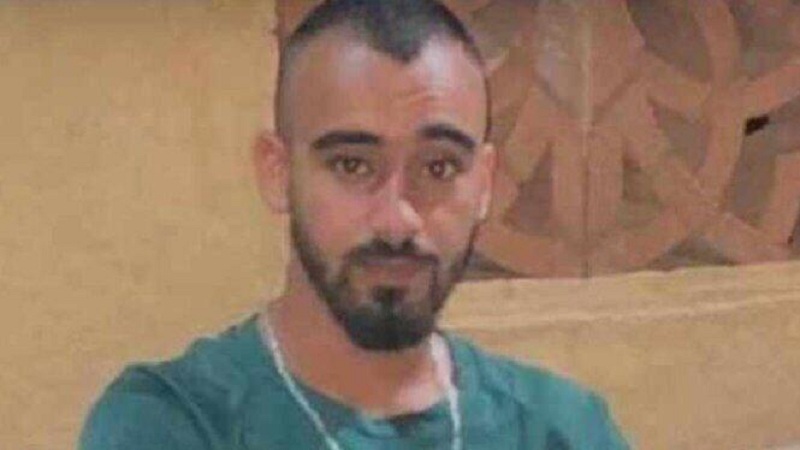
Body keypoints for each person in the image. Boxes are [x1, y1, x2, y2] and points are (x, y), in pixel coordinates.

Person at [79, 1, 630, 448]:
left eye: (439, 167)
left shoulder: (563, 430)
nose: (397, 220)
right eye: (352, 165)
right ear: (277, 172)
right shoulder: (174, 424)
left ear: (484, 183)